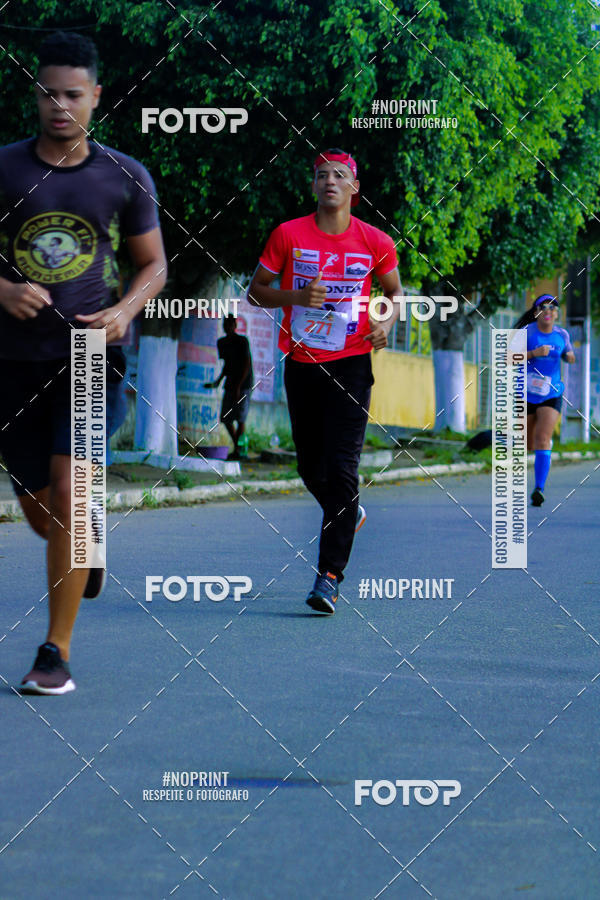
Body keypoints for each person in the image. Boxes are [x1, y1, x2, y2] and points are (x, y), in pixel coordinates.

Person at [0, 32, 167, 693]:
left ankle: (55, 654)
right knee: (46, 518)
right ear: (35, 93)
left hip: (90, 353)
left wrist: (126, 310)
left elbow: (153, 265)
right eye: (48, 93)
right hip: (10, 362)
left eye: (73, 95)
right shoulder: (5, 168)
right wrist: (4, 289)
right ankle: (85, 538)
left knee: (69, 495)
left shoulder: (123, 175)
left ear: (96, 97)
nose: (59, 106)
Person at [248, 148, 402, 614]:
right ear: (313, 185)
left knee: (341, 469)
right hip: (302, 361)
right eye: (321, 175)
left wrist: (387, 321)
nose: (330, 181)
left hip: (353, 363)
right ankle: (348, 512)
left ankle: (329, 576)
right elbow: (255, 292)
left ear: (355, 188)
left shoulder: (375, 241)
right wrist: (295, 294)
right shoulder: (288, 235)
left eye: (339, 175)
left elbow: (394, 293)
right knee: (310, 467)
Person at [515, 293, 575, 506]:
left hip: (552, 393)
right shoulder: (526, 332)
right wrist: (533, 353)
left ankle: (539, 488)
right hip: (525, 394)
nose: (549, 311)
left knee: (542, 438)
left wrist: (568, 357)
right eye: (544, 307)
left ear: (556, 314)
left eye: (553, 308)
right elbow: (508, 358)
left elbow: (571, 355)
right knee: (527, 443)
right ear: (536, 312)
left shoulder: (562, 335)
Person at [205, 315, 253, 459]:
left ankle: (239, 451)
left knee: (240, 418)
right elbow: (227, 365)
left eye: (230, 324)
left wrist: (239, 386)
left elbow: (247, 364)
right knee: (226, 418)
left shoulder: (242, 341)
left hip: (244, 384)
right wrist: (218, 381)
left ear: (235, 325)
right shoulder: (222, 343)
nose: (227, 327)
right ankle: (238, 448)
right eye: (225, 324)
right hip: (230, 383)